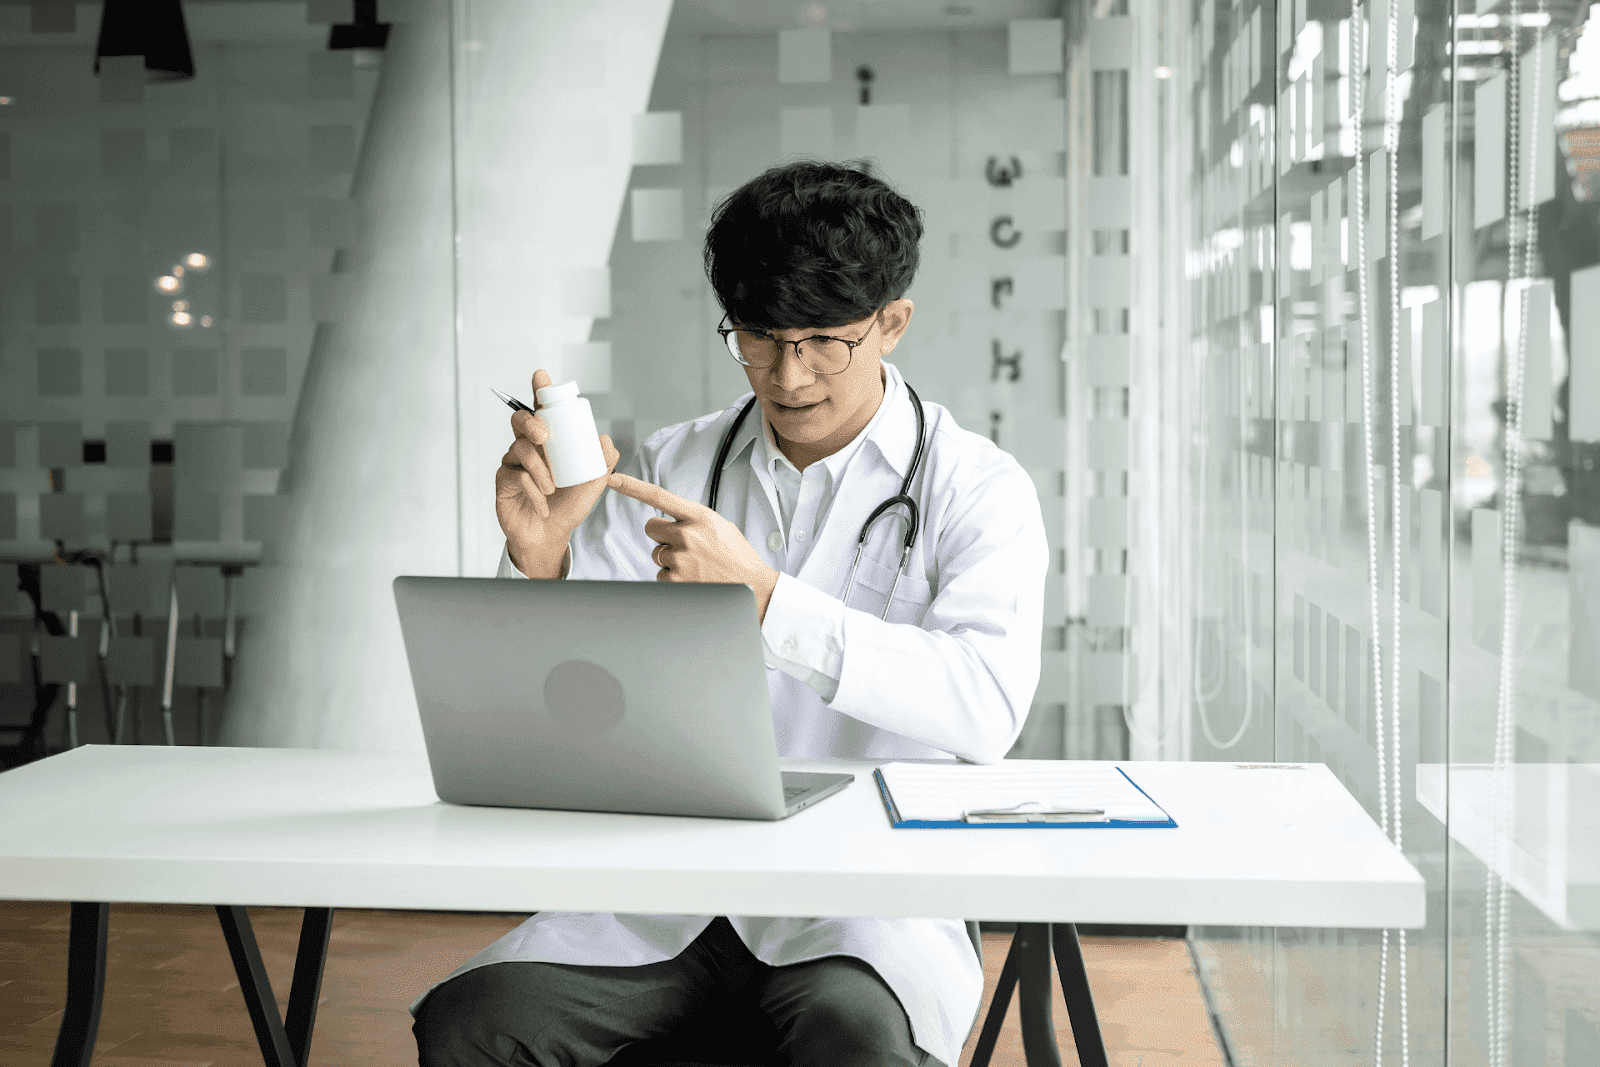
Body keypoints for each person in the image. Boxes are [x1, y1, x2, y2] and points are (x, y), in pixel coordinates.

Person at [412, 160, 1048, 1067]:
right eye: (758, 336)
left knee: (855, 1037)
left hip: (861, 905)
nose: (788, 376)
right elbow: (564, 701)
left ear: (891, 324)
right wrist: (541, 561)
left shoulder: (976, 488)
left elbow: (985, 706)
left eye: (825, 340)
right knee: (476, 1020)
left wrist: (771, 603)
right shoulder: (676, 464)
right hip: (673, 895)